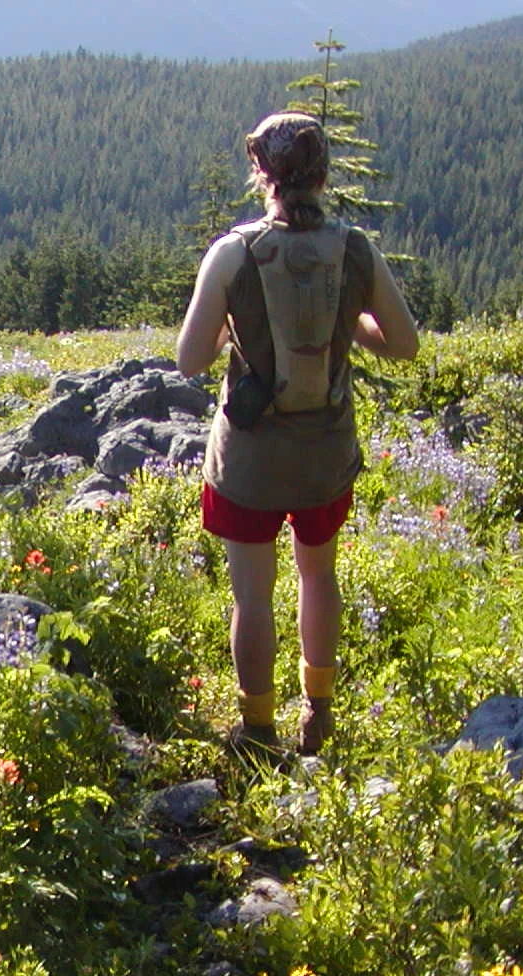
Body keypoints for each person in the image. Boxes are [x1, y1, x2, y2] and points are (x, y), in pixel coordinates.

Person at [175, 111, 418, 755]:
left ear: (263, 174)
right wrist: (353, 325)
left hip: (250, 461)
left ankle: (257, 728)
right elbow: (405, 344)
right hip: (325, 455)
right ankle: (319, 709)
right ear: (323, 172)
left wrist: (232, 327)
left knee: (252, 597)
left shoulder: (233, 253)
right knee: (319, 578)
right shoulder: (357, 250)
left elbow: (190, 359)